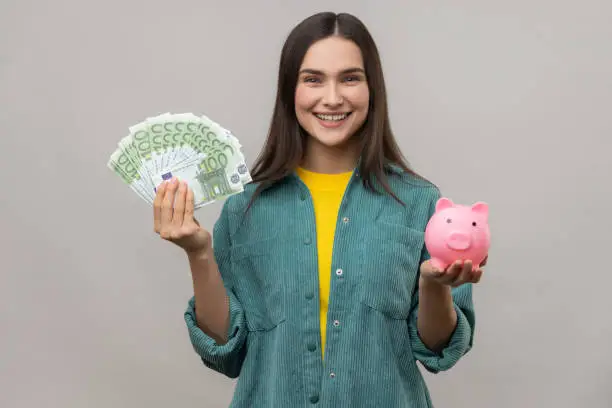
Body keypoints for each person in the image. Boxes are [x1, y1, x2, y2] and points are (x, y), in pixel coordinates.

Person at [153, 11, 487, 408]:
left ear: (372, 88)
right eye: (313, 79)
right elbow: (225, 352)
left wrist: (433, 285)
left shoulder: (421, 205)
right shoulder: (246, 208)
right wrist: (199, 252)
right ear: (289, 91)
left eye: (350, 78)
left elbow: (440, 350)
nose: (332, 98)